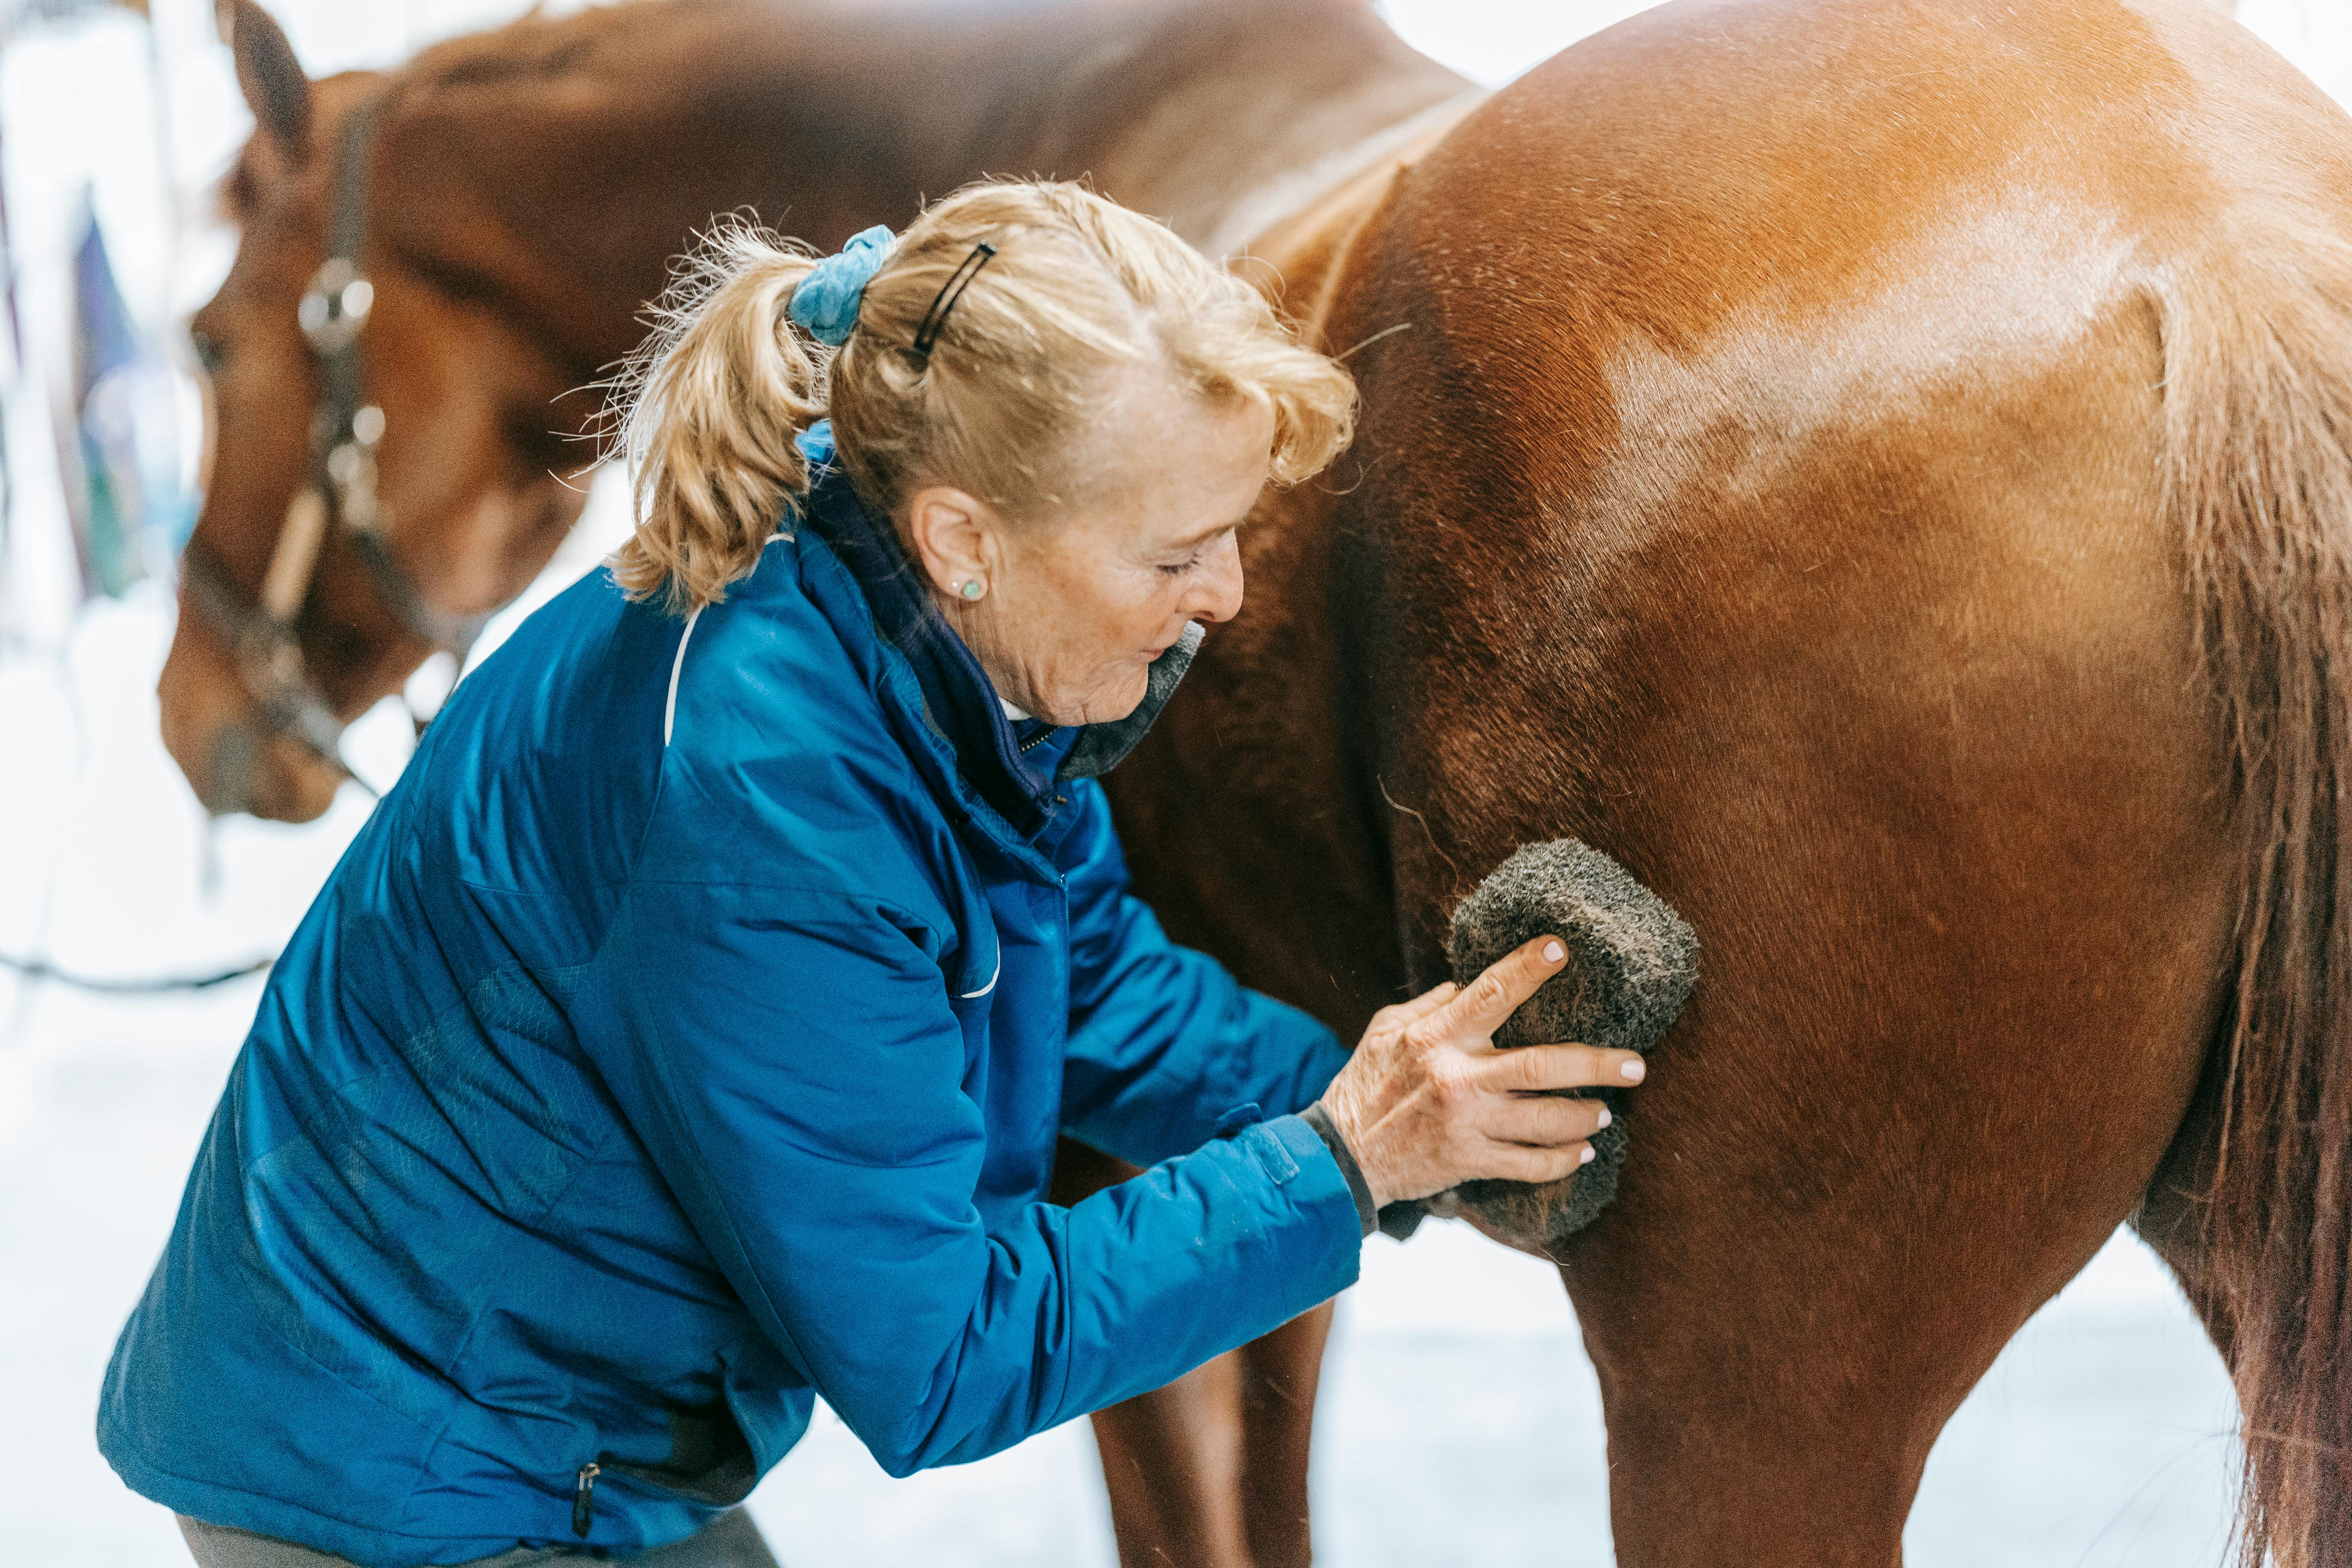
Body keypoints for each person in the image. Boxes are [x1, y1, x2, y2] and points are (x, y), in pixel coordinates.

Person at [101, 178, 1644, 1567]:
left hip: (559, 1401)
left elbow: (1095, 982)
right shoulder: (765, 796)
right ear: (969, 536)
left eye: (1233, 537)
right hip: (399, 1458)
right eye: (1176, 553)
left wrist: (1437, 1112)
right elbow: (946, 1358)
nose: (1224, 596)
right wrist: (1344, 1159)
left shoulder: (952, 651)